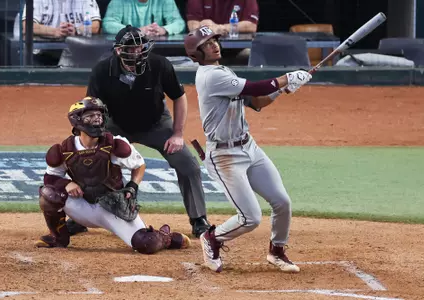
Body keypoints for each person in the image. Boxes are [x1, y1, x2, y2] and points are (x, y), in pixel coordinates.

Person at [184, 26, 312, 273]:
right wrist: (286, 79)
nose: (214, 45)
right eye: (207, 44)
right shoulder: (210, 76)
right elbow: (255, 88)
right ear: (196, 54)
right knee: (250, 218)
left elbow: (257, 100)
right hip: (224, 156)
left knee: (282, 202)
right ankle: (213, 238)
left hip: (248, 147)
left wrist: (282, 90)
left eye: (214, 41)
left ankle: (277, 251)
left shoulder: (223, 71)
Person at [65, 25, 210, 238]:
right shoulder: (103, 70)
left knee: (187, 164)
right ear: (118, 51)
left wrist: (177, 133)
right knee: (90, 159)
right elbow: (93, 105)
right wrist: (92, 137)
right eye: (131, 49)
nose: (137, 53)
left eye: (140, 47)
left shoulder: (159, 64)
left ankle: (199, 219)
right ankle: (83, 216)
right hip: (116, 123)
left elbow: (179, 97)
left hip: (156, 123)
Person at [35, 96, 191, 254]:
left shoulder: (115, 144)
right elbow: (50, 178)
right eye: (90, 116)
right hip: (83, 206)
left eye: (99, 115)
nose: (97, 119)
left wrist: (132, 186)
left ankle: (165, 236)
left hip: (113, 207)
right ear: (76, 121)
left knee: (146, 244)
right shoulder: (64, 150)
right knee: (49, 195)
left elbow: (139, 165)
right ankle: (58, 237)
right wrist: (66, 184)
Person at [22, 0, 102, 65]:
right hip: (42, 53)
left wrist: (76, 30)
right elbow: (27, 25)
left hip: (76, 53)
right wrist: (54, 31)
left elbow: (95, 26)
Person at [186, 0, 259, 65]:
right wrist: (210, 29)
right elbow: (192, 25)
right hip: (207, 47)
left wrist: (221, 27)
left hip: (237, 48)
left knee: (250, 54)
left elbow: (251, 26)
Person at [102, 0, 185, 36]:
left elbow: (179, 23)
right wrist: (134, 30)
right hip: (128, 47)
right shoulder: (118, 1)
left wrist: (164, 30)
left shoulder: (166, 1)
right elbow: (108, 24)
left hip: (157, 47)